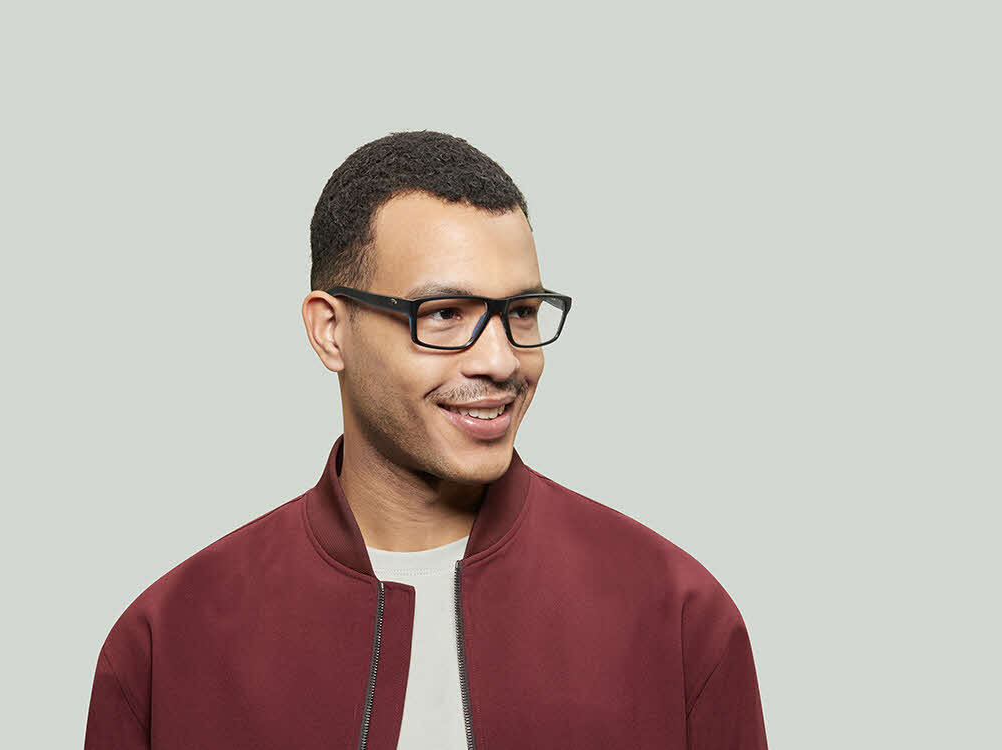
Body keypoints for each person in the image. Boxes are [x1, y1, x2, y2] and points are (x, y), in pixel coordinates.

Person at [83, 130, 769, 749]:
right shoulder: (167, 642)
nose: (500, 360)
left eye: (522, 312)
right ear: (330, 330)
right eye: (443, 314)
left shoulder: (678, 616)